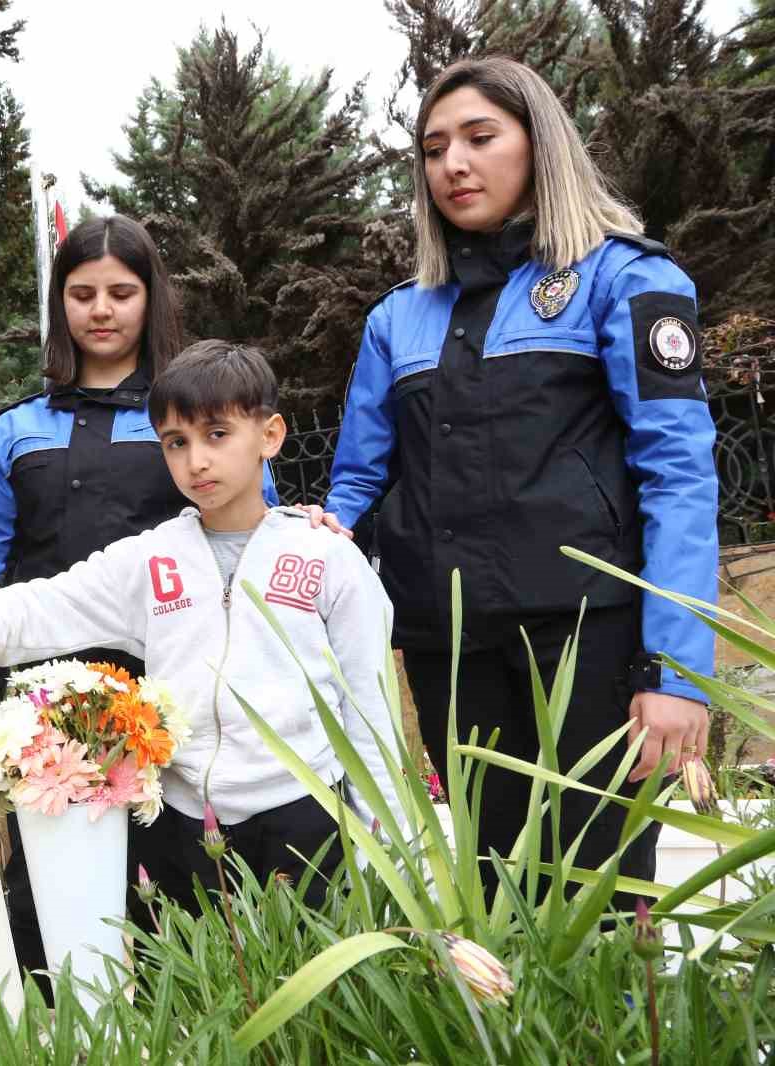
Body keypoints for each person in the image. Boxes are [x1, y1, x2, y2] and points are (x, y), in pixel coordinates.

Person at [320, 56, 716, 898]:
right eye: (432, 148)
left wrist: (678, 676)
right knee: (496, 893)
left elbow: (678, 476)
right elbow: (356, 484)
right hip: (451, 653)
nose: (452, 165)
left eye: (479, 137)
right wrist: (318, 539)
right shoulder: (397, 317)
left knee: (600, 904)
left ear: (540, 144)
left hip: (590, 648)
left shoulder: (623, 278)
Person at [0, 341, 402, 911]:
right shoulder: (152, 559)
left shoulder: (328, 559)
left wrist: (391, 849)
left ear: (269, 435)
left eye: (217, 435)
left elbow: (371, 712)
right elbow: (52, 605)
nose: (197, 461)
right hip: (185, 826)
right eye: (176, 443)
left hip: (305, 816)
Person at [0, 215, 277, 990]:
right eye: (81, 293)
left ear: (151, 298)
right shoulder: (16, 430)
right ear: (59, 305)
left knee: (178, 885)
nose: (101, 310)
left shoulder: (188, 420)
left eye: (121, 292)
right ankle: (59, 1024)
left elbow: (254, 536)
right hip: (43, 703)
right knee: (49, 891)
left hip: (170, 690)